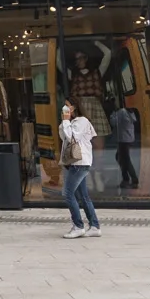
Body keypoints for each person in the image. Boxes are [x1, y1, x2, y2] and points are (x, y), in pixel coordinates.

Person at [58, 100, 100, 238]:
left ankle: (78, 226)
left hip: (80, 162)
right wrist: (65, 121)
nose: (65, 107)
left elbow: (72, 137)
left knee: (68, 193)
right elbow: (64, 137)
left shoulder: (82, 121)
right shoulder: (73, 121)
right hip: (76, 162)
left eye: (67, 105)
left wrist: (66, 121)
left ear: (74, 107)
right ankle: (94, 226)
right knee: (83, 195)